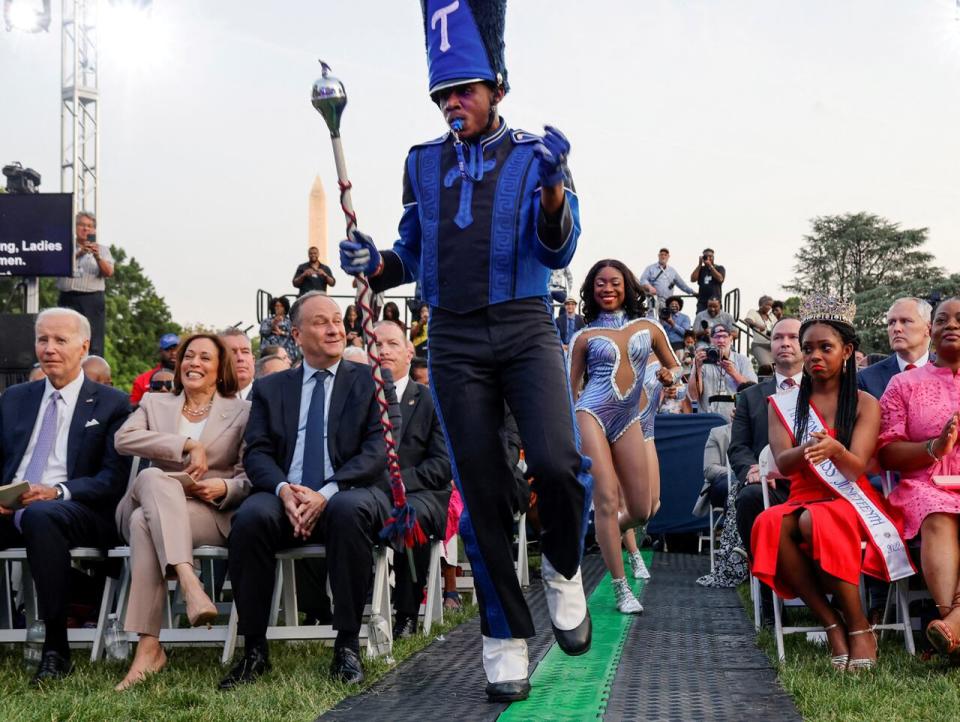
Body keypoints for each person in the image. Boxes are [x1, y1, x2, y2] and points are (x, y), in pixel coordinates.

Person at [338, 2, 592, 702]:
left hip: (524, 324)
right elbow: (410, 254)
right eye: (444, 94)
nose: (454, 103)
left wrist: (554, 189)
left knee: (556, 463)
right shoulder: (420, 163)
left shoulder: (538, 155)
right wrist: (372, 262)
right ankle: (503, 635)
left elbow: (560, 248)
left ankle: (565, 568)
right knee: (479, 492)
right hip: (449, 337)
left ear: (497, 88)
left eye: (465, 91)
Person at [220, 292, 391, 690]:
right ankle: (255, 650)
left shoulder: (370, 380)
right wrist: (283, 490)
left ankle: (347, 645)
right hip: (287, 493)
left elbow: (377, 451)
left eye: (337, 319)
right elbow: (258, 451)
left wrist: (326, 492)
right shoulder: (272, 388)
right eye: (320, 321)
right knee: (249, 518)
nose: (334, 328)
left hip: (348, 489)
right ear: (296, 333)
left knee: (348, 512)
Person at [751, 295, 913, 671]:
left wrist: (836, 450)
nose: (814, 356)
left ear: (847, 351)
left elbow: (855, 469)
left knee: (814, 521)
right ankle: (832, 621)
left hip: (850, 499)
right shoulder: (783, 404)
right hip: (804, 495)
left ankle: (858, 626)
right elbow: (784, 464)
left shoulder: (864, 403)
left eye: (825, 347)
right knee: (768, 523)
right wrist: (809, 446)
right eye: (808, 349)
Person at [0, 308, 131, 686]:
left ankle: (56, 648)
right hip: (14, 505)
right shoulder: (14, 399)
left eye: (60, 340)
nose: (50, 348)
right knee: (36, 514)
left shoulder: (111, 403)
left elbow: (112, 479)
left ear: (83, 346)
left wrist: (57, 491)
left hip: (78, 508)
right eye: (43, 339)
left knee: (44, 516)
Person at [112, 333, 251, 690]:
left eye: (206, 358)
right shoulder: (154, 402)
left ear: (220, 370)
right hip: (148, 496)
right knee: (155, 477)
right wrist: (187, 445)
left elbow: (249, 474)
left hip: (204, 510)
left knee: (145, 523)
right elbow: (123, 439)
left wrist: (223, 488)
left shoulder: (242, 411)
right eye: (189, 356)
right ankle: (190, 582)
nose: (194, 363)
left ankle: (149, 649)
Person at [568, 260, 681, 614]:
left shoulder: (648, 327)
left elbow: (675, 365)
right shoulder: (582, 336)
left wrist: (669, 375)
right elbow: (569, 390)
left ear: (627, 286)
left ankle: (603, 534)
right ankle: (621, 588)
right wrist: (567, 435)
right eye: (599, 283)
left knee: (643, 508)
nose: (607, 288)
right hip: (591, 414)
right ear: (591, 289)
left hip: (628, 419)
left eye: (614, 282)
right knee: (605, 499)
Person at [877, 297, 960, 656]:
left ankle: (953, 630)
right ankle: (951, 618)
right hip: (923, 484)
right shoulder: (903, 384)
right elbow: (884, 451)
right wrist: (934, 448)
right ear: (931, 330)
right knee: (936, 513)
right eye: (943, 319)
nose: (952, 325)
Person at [370, 321, 452, 639]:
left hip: (422, 491)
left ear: (409, 351)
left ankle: (405, 613)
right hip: (369, 490)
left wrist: (400, 482)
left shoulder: (431, 400)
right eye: (377, 344)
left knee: (410, 514)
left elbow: (443, 464)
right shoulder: (359, 396)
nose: (384, 350)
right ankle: (323, 606)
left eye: (392, 343)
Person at [55, 212, 114, 357]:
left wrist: (97, 256)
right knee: (64, 336)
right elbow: (56, 265)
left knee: (93, 340)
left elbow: (108, 273)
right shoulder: (64, 246)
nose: (85, 229)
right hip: (68, 297)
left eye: (90, 226)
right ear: (75, 227)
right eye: (82, 225)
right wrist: (79, 254)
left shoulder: (103, 249)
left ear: (94, 230)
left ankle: (93, 371)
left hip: (91, 300)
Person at [858, 297, 933, 401]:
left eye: (905, 321)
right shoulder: (866, 379)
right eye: (891, 322)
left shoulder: (950, 372)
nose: (896, 328)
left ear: (928, 328)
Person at [689, 322, 757, 416]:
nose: (721, 340)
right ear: (711, 339)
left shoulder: (743, 361)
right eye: (717, 336)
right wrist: (697, 368)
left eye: (724, 336)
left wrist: (734, 373)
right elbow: (693, 396)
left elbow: (754, 391)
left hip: (735, 420)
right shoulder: (702, 361)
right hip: (709, 421)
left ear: (731, 339)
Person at [130, 333, 180, 404]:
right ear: (160, 351)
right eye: (168, 349)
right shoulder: (142, 380)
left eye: (177, 349)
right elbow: (132, 406)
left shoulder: (190, 378)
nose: (174, 353)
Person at [259, 296, 298, 363]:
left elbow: (295, 335)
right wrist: (273, 325)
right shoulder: (267, 321)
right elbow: (263, 332)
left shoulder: (290, 321)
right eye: (276, 306)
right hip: (270, 354)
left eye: (281, 306)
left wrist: (282, 332)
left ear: (285, 308)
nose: (278, 308)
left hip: (287, 354)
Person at [219, 328, 255, 401]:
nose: (240, 358)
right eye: (232, 352)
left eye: (245, 352)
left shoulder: (271, 397)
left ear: (253, 360)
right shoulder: (206, 400)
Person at [690, 248, 726, 314]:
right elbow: (692, 279)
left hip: (715, 302)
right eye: (706, 256)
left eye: (710, 256)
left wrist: (710, 266)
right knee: (701, 320)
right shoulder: (701, 269)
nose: (708, 258)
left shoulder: (719, 268)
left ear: (713, 257)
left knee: (716, 321)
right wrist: (700, 264)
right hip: (702, 302)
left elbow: (720, 279)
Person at [745, 295, 776, 367]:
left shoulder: (771, 316)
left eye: (770, 305)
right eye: (767, 305)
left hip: (772, 346)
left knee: (776, 368)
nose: (769, 307)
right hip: (759, 345)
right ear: (760, 304)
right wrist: (757, 325)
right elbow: (747, 320)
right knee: (766, 365)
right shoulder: (753, 312)